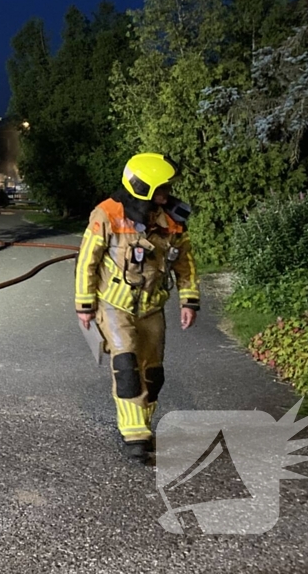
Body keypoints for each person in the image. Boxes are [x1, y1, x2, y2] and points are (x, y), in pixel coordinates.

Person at [73, 153, 200, 463]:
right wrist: (85, 304)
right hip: (115, 305)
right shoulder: (106, 214)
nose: (167, 193)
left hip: (152, 307)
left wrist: (189, 300)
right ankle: (135, 436)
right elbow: (87, 261)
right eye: (161, 188)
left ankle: (141, 421)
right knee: (127, 365)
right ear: (143, 187)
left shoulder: (172, 219)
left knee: (153, 373)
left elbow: (184, 263)